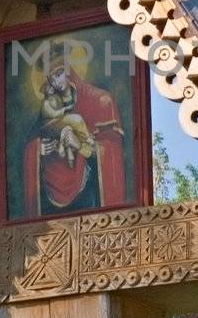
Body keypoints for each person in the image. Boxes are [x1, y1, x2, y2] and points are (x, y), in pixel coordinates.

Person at [22, 52, 126, 217]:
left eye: (59, 73)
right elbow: (33, 141)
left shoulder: (100, 101)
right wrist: (38, 149)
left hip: (85, 192)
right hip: (51, 194)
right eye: (51, 78)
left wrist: (81, 146)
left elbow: (112, 152)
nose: (57, 81)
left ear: (69, 70)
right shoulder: (50, 106)